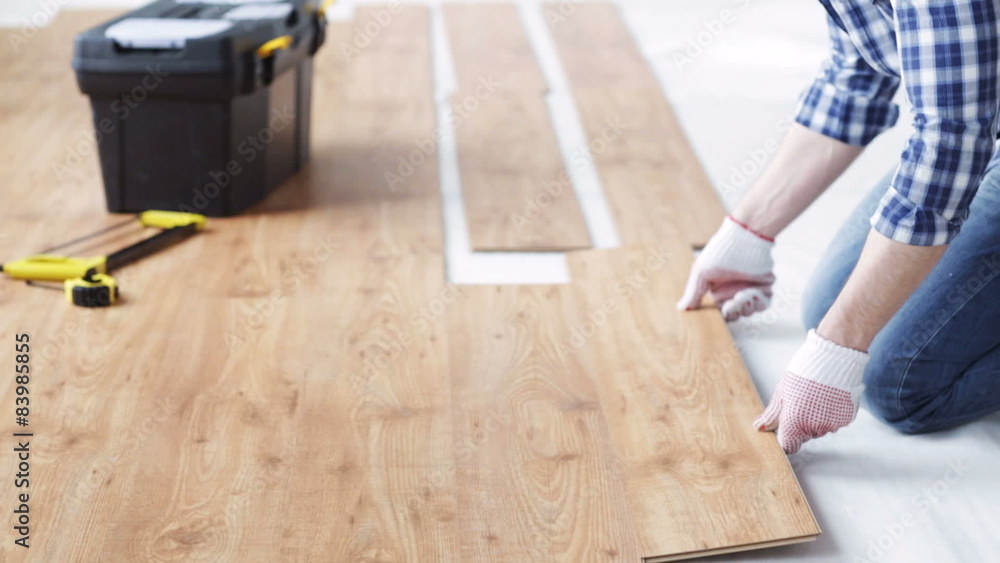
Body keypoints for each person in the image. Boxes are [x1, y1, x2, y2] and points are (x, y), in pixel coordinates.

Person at [678, 0, 1000, 453]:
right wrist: (746, 233)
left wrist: (839, 347)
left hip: (969, 133)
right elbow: (856, 77)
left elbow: (950, 140)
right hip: (985, 124)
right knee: (829, 312)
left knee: (900, 385)